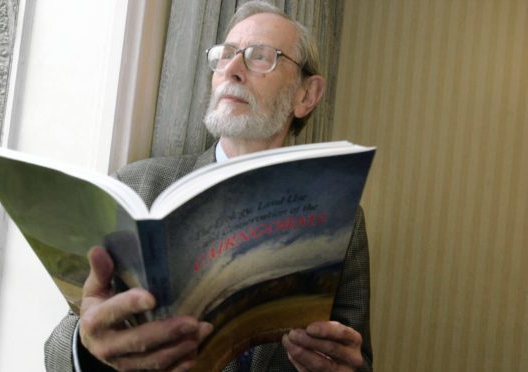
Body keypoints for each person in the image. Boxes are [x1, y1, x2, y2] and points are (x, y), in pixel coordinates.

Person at [45, 1, 372, 371]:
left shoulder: (340, 216)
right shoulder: (137, 186)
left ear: (306, 95)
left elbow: (358, 360)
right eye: (226, 54)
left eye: (260, 56)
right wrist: (87, 344)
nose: (232, 69)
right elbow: (58, 354)